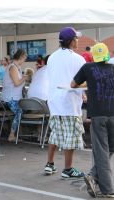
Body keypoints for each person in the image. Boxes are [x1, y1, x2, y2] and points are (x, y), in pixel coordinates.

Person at [71, 43, 114, 198]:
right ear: (107, 55)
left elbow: (73, 84)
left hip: (98, 114)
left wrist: (89, 82)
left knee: (102, 150)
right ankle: (95, 177)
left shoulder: (88, 68)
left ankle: (106, 189)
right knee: (109, 149)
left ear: (93, 56)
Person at [43, 27, 86, 178]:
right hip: (70, 103)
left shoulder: (52, 57)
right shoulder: (79, 59)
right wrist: (83, 93)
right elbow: (79, 81)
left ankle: (50, 164)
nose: (78, 41)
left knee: (55, 134)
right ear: (71, 41)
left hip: (54, 101)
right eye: (76, 38)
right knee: (70, 136)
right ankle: (68, 169)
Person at [0, 49, 29, 142]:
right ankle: (11, 135)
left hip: (15, 97)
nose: (25, 60)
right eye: (25, 58)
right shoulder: (12, 67)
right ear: (21, 57)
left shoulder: (17, 67)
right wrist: (24, 78)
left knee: (23, 110)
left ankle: (16, 133)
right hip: (10, 97)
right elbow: (16, 83)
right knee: (19, 112)